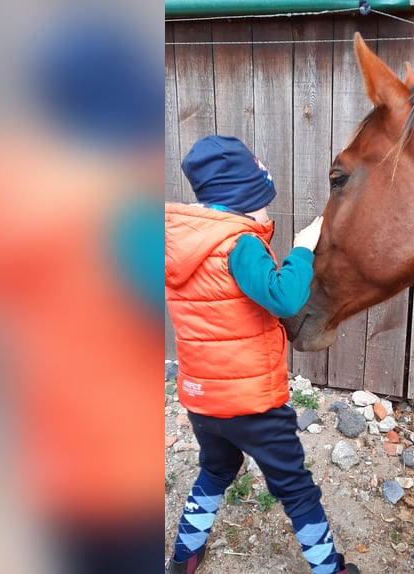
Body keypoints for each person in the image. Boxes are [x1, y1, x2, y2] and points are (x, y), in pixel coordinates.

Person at [165, 135, 359, 574]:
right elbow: (284, 297)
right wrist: (303, 250)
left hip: (202, 400)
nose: (267, 213)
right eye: (264, 203)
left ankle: (183, 558)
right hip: (252, 405)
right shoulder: (238, 244)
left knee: (215, 471)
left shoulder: (180, 247)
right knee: (295, 487)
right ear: (243, 202)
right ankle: (330, 568)